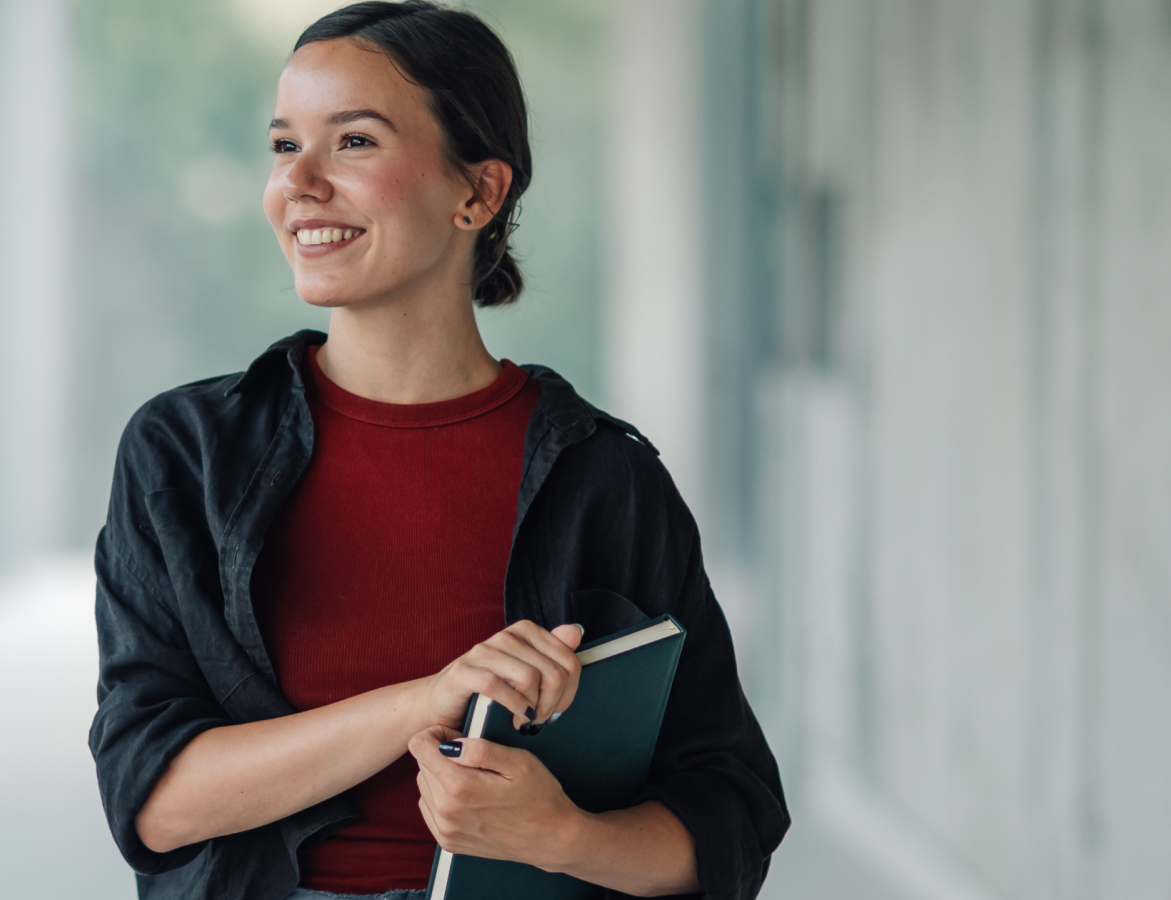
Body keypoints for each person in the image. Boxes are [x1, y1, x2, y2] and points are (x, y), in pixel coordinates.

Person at [87, 3, 788, 898]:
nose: (297, 181)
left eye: (354, 143)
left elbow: (728, 828)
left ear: (479, 193)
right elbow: (152, 800)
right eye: (281, 144)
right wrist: (428, 700)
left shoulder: (605, 477)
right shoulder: (184, 454)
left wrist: (564, 836)